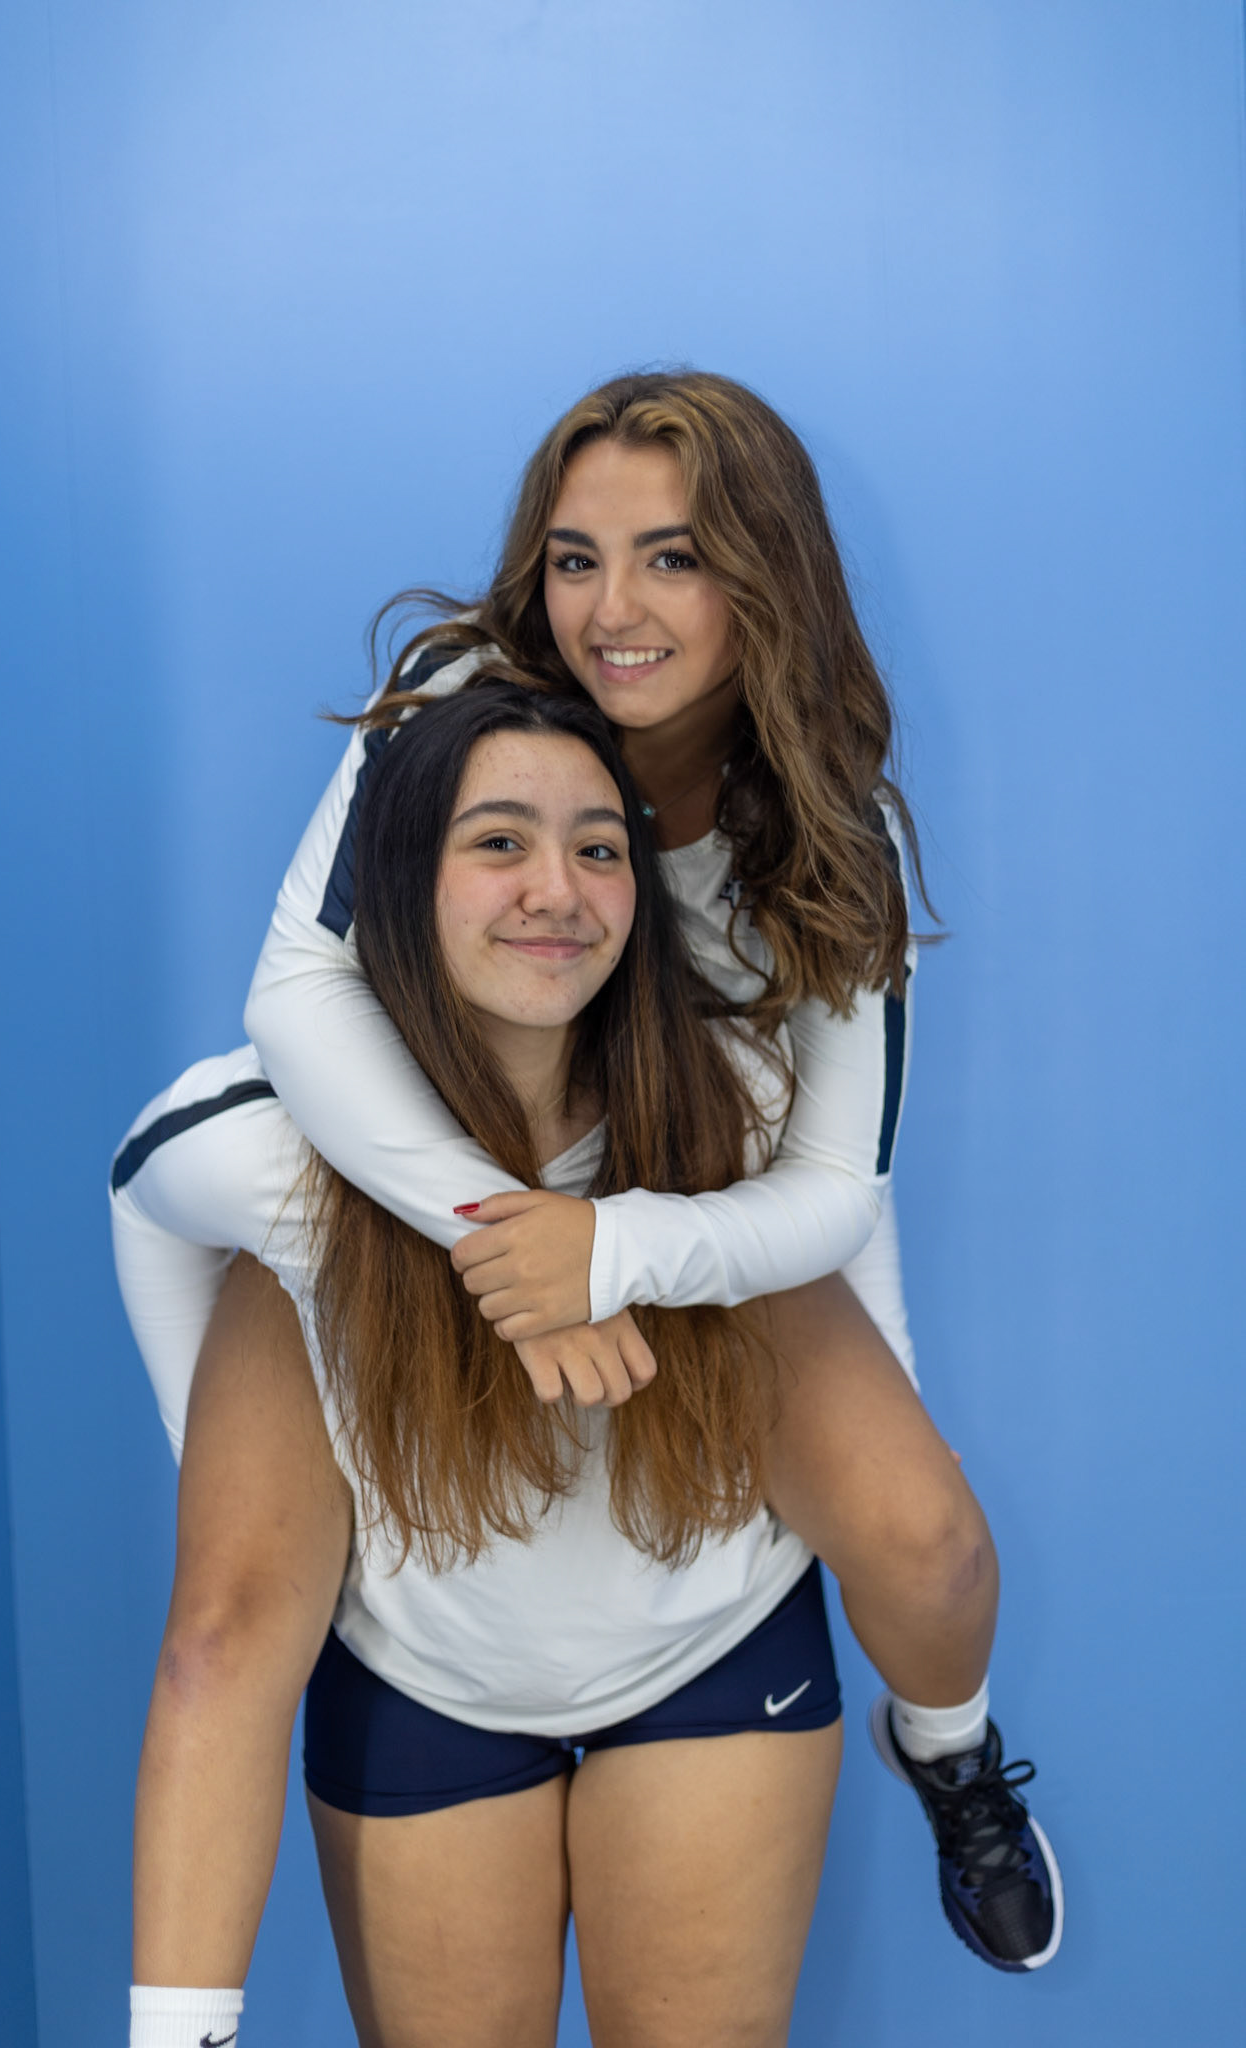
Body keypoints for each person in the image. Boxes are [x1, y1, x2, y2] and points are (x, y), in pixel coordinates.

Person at [243, 371, 1060, 1962]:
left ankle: (946, 1752)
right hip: (479, 1178)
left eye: (671, 558)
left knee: (925, 1546)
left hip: (715, 1209)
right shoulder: (455, 698)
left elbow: (836, 1189)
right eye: (575, 558)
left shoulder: (831, 830)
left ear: (763, 573)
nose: (609, 610)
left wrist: (613, 1253)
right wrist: (507, 1235)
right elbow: (295, 991)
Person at [115, 681, 846, 2048]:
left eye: (597, 848)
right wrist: (205, 1447)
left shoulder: (730, 1102)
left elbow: (849, 1227)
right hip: (425, 1681)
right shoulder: (273, 1156)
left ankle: (953, 1754)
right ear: (401, 880)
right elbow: (140, 1195)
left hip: (707, 1646)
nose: (555, 890)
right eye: (498, 841)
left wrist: (610, 1255)